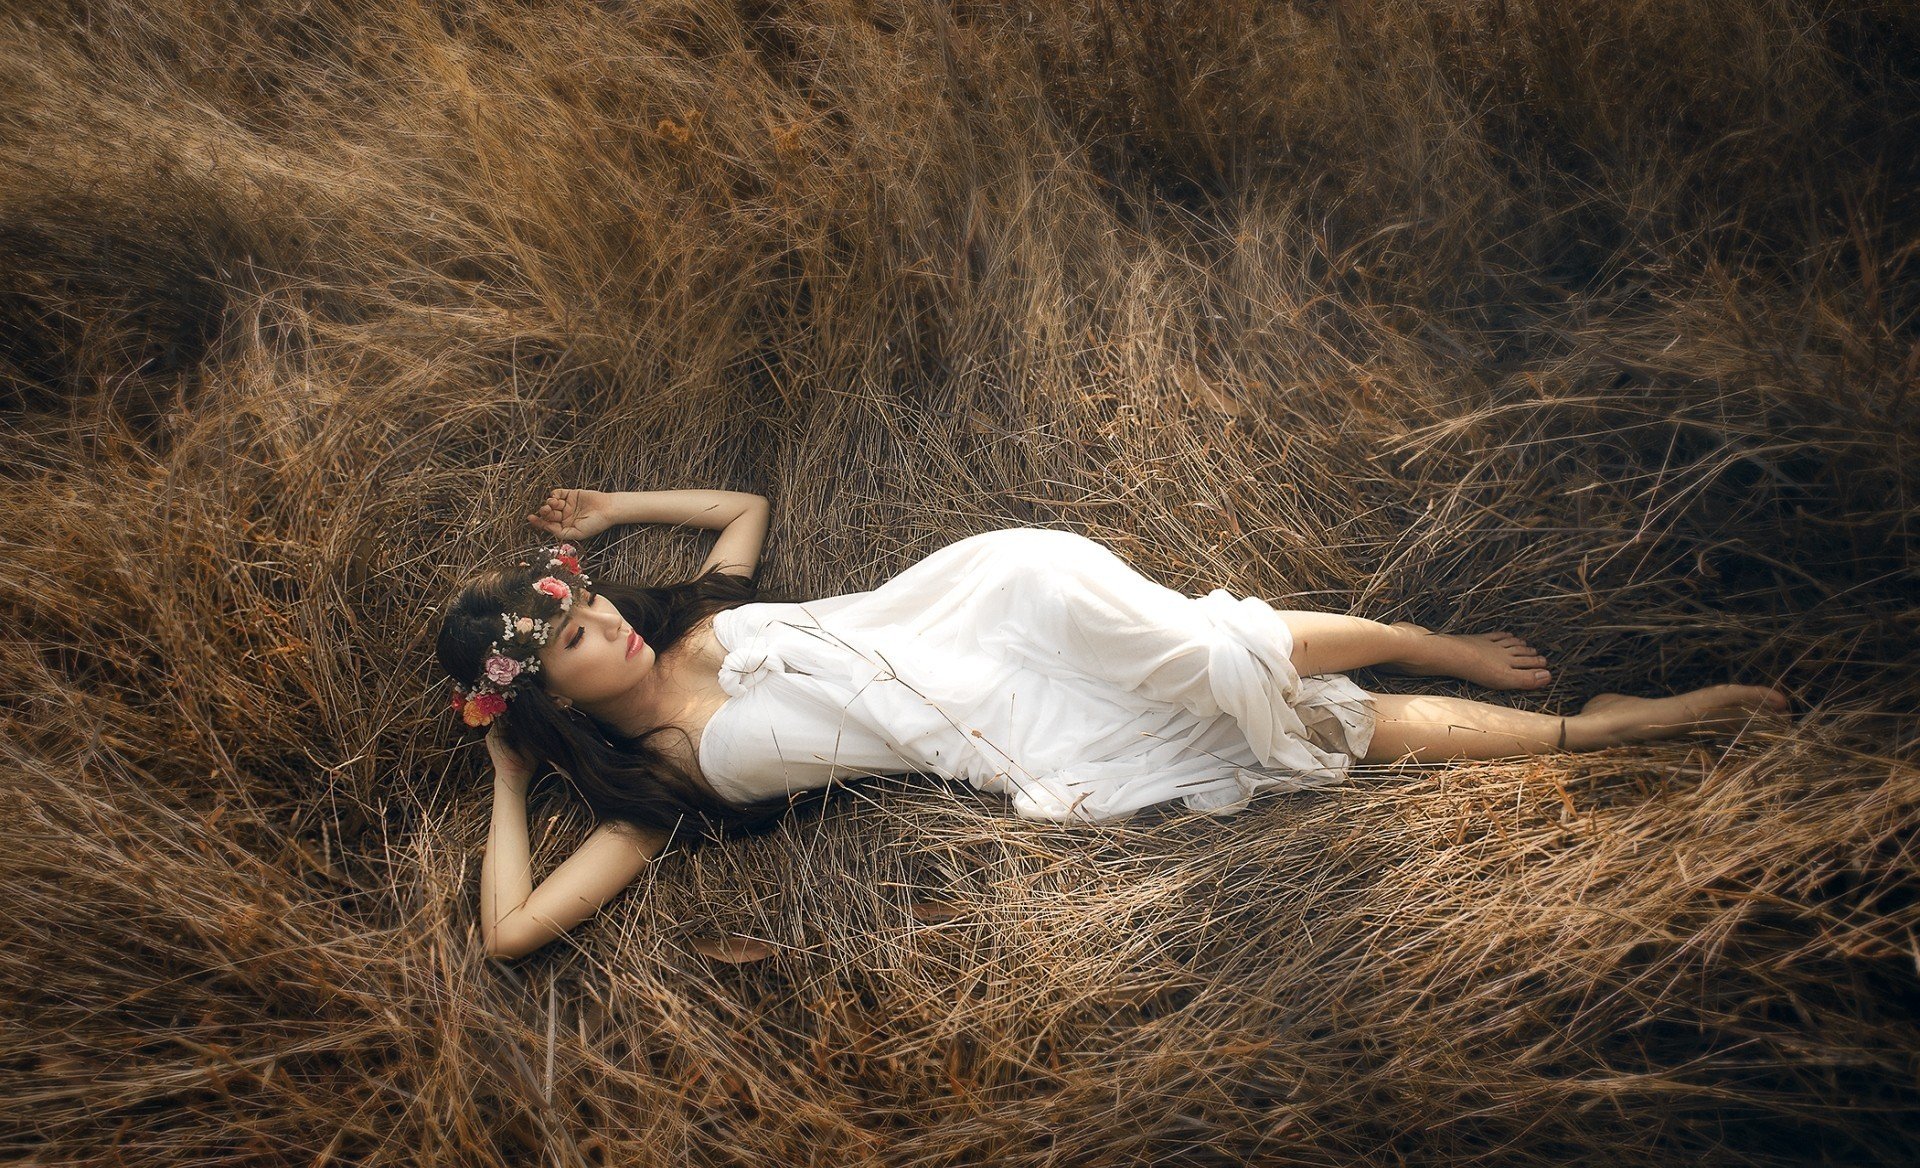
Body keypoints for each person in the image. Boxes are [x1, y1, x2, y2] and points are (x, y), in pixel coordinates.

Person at [435, 488, 1790, 959]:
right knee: (1291, 737)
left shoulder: (685, 622)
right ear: (545, 694)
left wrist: (615, 517)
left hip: (992, 600)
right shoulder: (649, 795)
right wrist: (506, 778)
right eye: (570, 637)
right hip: (1006, 733)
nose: (604, 620)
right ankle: (1601, 733)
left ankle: (1422, 642)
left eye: (587, 600)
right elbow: (509, 933)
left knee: (1211, 646)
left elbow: (741, 515)